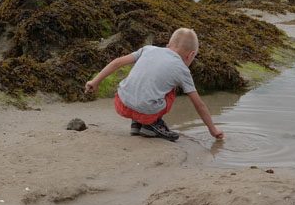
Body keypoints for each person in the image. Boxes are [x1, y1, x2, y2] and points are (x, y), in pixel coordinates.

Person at [84, 27, 224, 142]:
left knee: (143, 81)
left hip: (121, 104)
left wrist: (95, 81)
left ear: (168, 45)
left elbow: (117, 62)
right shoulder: (182, 69)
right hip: (146, 111)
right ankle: (151, 125)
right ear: (191, 55)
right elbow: (198, 104)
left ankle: (136, 124)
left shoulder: (148, 49)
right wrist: (213, 129)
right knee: (170, 90)